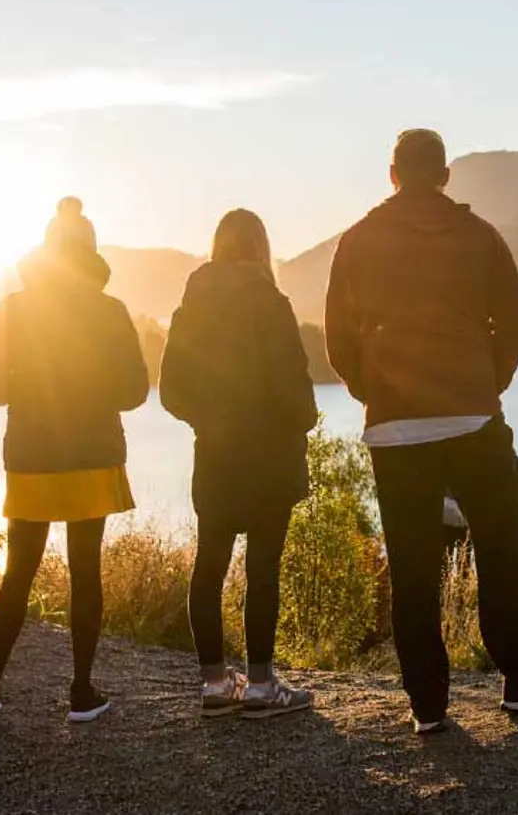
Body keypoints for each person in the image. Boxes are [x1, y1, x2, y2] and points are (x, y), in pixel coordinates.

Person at [325, 128, 518, 734]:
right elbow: (514, 321)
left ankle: (428, 705)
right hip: (472, 417)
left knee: (412, 566)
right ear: (444, 175)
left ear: (392, 174)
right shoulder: (479, 235)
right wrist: (484, 383)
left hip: (394, 430)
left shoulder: (357, 241)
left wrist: (376, 392)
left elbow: (337, 339)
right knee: (499, 550)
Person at [0, 198, 150, 722]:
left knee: (19, 569)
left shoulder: (16, 307)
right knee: (86, 572)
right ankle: (82, 692)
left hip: (33, 454)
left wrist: (28, 386)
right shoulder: (110, 311)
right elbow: (133, 391)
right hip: (93, 455)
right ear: (90, 254)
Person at [159, 209, 318, 719]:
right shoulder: (270, 303)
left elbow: (170, 391)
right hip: (269, 456)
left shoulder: (190, 308)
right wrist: (303, 420)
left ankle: (213, 683)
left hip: (216, 455)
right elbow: (294, 385)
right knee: (262, 567)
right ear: (260, 248)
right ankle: (262, 686)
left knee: (209, 565)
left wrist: (207, 419)